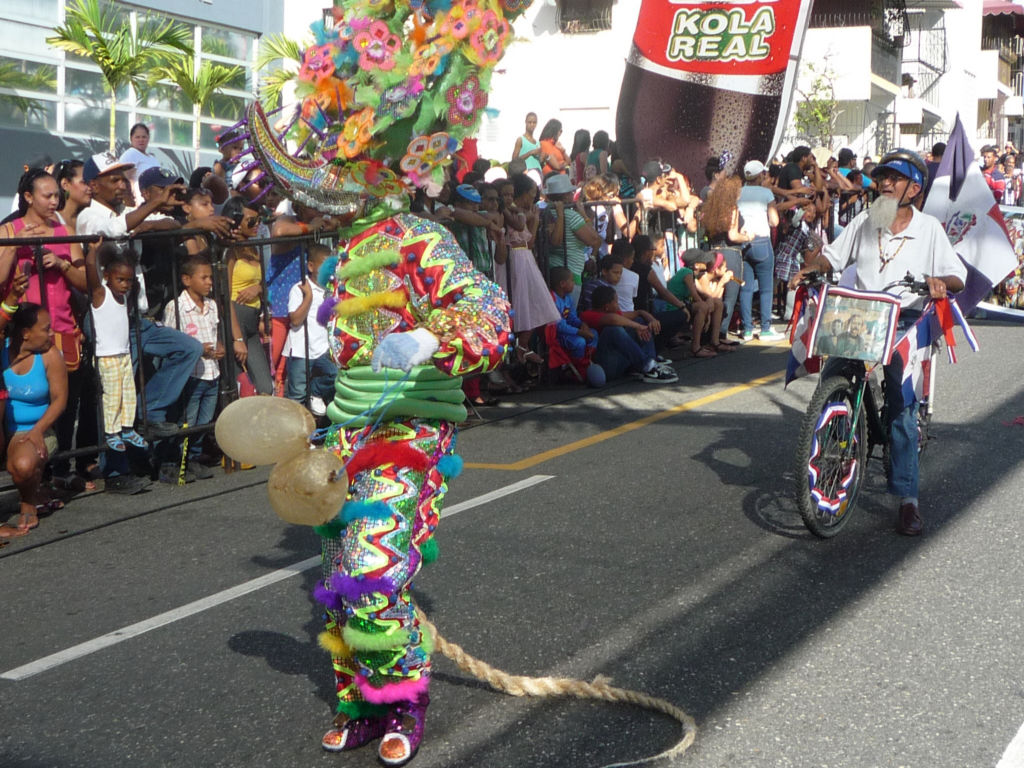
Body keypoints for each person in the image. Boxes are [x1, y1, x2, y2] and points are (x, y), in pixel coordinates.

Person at [792, 149, 967, 536]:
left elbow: (957, 276)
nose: (884, 183)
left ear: (914, 188)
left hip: (904, 319)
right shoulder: (866, 221)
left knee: (902, 410)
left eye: (894, 178)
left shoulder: (929, 230)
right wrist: (812, 268)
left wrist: (940, 283)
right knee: (832, 381)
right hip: (861, 314)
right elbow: (833, 259)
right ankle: (837, 446)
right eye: (882, 177)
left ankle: (908, 499)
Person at [0, 303, 68, 538]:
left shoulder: (50, 355)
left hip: (38, 430)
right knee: (16, 462)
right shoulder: (3, 351)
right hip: (7, 432)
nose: (51, 334)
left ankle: (28, 501)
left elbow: (60, 400)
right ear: (25, 333)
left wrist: (39, 429)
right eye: (46, 329)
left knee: (22, 465)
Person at [85, 240, 148, 455]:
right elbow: (91, 273)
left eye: (128, 281)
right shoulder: (101, 294)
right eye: (120, 279)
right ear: (107, 277)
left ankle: (127, 428)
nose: (125, 285)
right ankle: (111, 432)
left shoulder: (125, 298)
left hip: (123, 354)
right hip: (107, 356)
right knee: (112, 395)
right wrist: (93, 251)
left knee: (128, 393)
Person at [163, 254, 222, 480]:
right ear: (187, 280)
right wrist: (198, 349)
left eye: (210, 277)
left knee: (204, 420)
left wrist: (219, 347)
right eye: (204, 277)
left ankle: (195, 457)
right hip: (192, 375)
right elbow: (171, 342)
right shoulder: (175, 307)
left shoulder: (211, 305)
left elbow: (215, 333)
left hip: (212, 372)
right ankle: (178, 460)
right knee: (187, 418)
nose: (209, 282)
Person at [501, 173, 560, 363]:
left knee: (536, 302)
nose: (533, 198)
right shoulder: (513, 213)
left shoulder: (524, 213)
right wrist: (530, 219)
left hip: (525, 256)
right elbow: (519, 228)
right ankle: (518, 347)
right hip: (516, 258)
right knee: (521, 303)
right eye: (531, 193)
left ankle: (522, 344)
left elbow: (530, 241)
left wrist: (533, 222)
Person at [579, 285, 678, 384]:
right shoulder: (588, 315)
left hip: (620, 362)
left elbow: (639, 313)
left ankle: (651, 363)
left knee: (639, 320)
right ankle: (648, 367)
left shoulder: (614, 312)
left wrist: (652, 320)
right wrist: (637, 327)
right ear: (607, 307)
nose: (618, 305)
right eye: (616, 302)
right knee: (613, 330)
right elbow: (613, 319)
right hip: (606, 366)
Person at [224, 196, 274, 396]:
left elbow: (265, 282)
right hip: (236, 316)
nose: (257, 225)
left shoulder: (253, 248)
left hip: (253, 319)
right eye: (251, 221)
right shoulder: (229, 251)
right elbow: (224, 297)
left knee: (265, 386)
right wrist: (236, 337)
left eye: (259, 220)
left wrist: (259, 289)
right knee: (241, 386)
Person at [285, 243, 337, 416]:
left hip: (323, 348)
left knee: (335, 375)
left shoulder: (331, 289)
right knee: (297, 394)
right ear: (311, 266)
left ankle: (315, 391)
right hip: (302, 349)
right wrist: (308, 297)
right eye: (324, 264)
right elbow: (295, 319)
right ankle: (295, 432)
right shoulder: (300, 288)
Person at [738, 161, 784, 341]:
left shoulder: (738, 192)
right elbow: (774, 221)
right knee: (766, 289)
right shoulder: (766, 193)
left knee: (746, 288)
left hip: (744, 241)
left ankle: (747, 329)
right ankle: (765, 329)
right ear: (760, 175)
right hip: (762, 241)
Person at [543, 174, 603, 304]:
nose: (572, 195)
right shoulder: (571, 216)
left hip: (551, 270)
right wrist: (582, 213)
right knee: (568, 313)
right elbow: (593, 239)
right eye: (571, 192)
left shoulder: (545, 213)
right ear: (565, 196)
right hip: (571, 272)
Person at [511, 113, 543, 182]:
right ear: (525, 122)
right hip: (526, 171)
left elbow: (540, 160)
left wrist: (542, 156)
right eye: (530, 122)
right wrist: (530, 153)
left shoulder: (537, 142)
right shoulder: (521, 140)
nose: (532, 125)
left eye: (534, 122)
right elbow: (514, 160)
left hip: (537, 172)